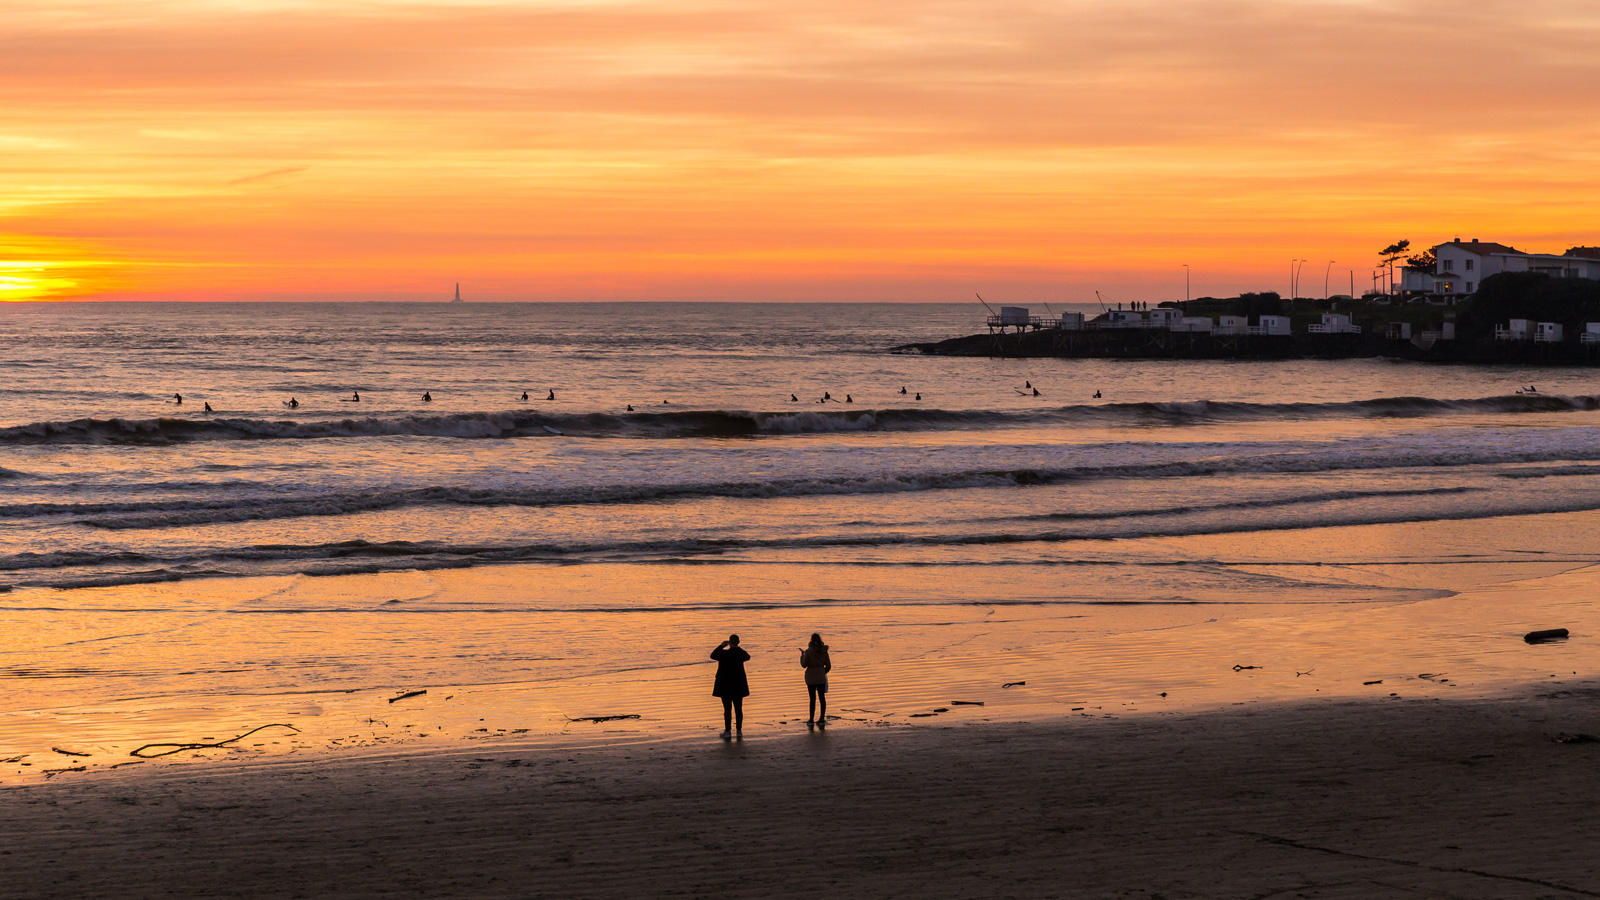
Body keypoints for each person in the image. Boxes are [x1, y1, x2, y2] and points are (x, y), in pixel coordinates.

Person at [710, 635, 750, 738]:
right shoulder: (740, 654)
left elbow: (712, 655)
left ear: (729, 642)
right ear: (738, 642)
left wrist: (721, 646)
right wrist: (737, 647)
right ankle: (739, 731)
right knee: (738, 708)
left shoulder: (723, 654)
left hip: (725, 685)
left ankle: (727, 731)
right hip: (738, 685)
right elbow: (747, 656)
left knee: (727, 709)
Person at [800, 633, 832, 727]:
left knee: (812, 699)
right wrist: (822, 672)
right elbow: (829, 666)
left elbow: (803, 665)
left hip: (811, 677)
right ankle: (822, 718)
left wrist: (802, 656)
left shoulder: (809, 651)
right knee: (822, 698)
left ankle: (811, 719)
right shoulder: (824, 651)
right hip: (821, 677)